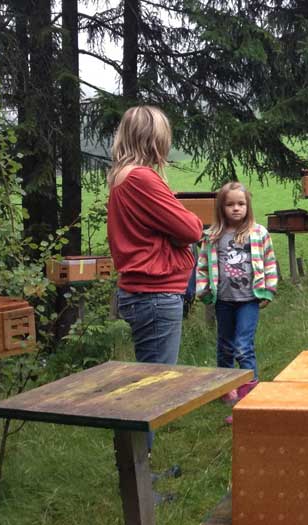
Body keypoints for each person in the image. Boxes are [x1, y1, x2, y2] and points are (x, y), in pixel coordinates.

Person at [108, 106, 203, 367]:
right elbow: (191, 229)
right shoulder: (141, 178)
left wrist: (174, 231)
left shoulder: (122, 176)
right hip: (154, 294)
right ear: (152, 138)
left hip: (143, 294)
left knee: (150, 379)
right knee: (156, 385)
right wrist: (180, 229)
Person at [195, 182, 278, 424]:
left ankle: (248, 400)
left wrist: (268, 290)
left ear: (248, 206)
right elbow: (201, 266)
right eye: (230, 204)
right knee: (225, 346)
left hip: (248, 301)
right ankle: (225, 387)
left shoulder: (258, 233)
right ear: (221, 208)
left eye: (240, 204)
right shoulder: (212, 237)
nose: (236, 209)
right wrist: (204, 291)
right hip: (223, 301)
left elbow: (270, 262)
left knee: (243, 346)